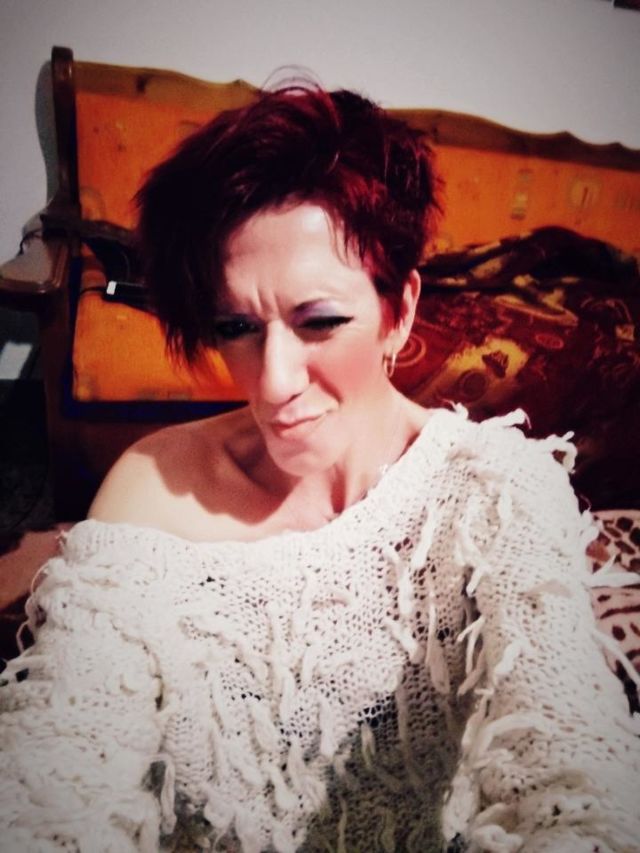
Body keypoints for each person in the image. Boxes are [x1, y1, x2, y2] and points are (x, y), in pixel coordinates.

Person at [1, 84, 639, 853]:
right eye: (236, 326)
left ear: (399, 310)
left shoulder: (495, 493)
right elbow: (60, 770)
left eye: (320, 321)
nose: (273, 382)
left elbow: (574, 777)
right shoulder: (151, 489)